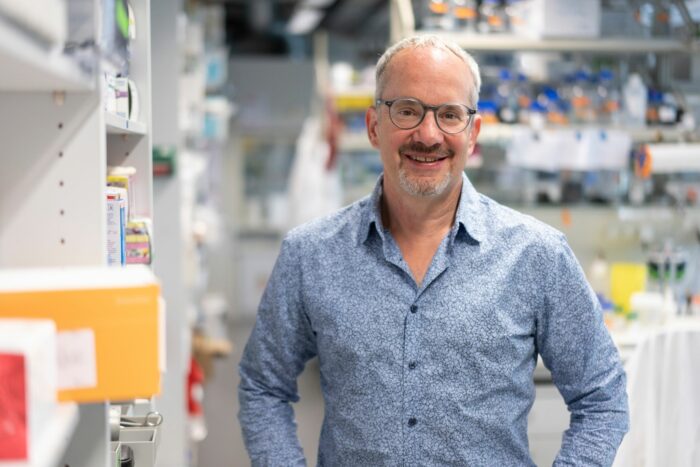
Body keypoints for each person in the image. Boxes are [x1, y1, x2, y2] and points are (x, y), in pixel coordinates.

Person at [238, 35, 629, 466]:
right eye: (407, 110)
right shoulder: (310, 255)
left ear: (473, 134)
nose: (428, 135)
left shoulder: (537, 256)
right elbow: (263, 386)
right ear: (374, 126)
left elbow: (602, 397)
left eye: (449, 115)